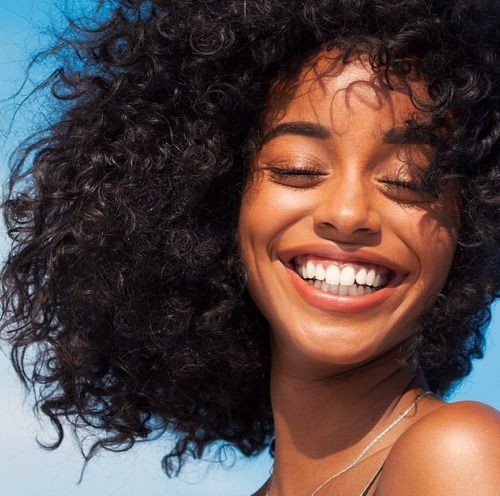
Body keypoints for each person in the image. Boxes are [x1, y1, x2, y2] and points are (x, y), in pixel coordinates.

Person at [1, 1, 499, 494]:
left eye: (406, 179)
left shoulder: (459, 455)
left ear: (471, 221)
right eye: (298, 168)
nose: (348, 214)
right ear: (215, 197)